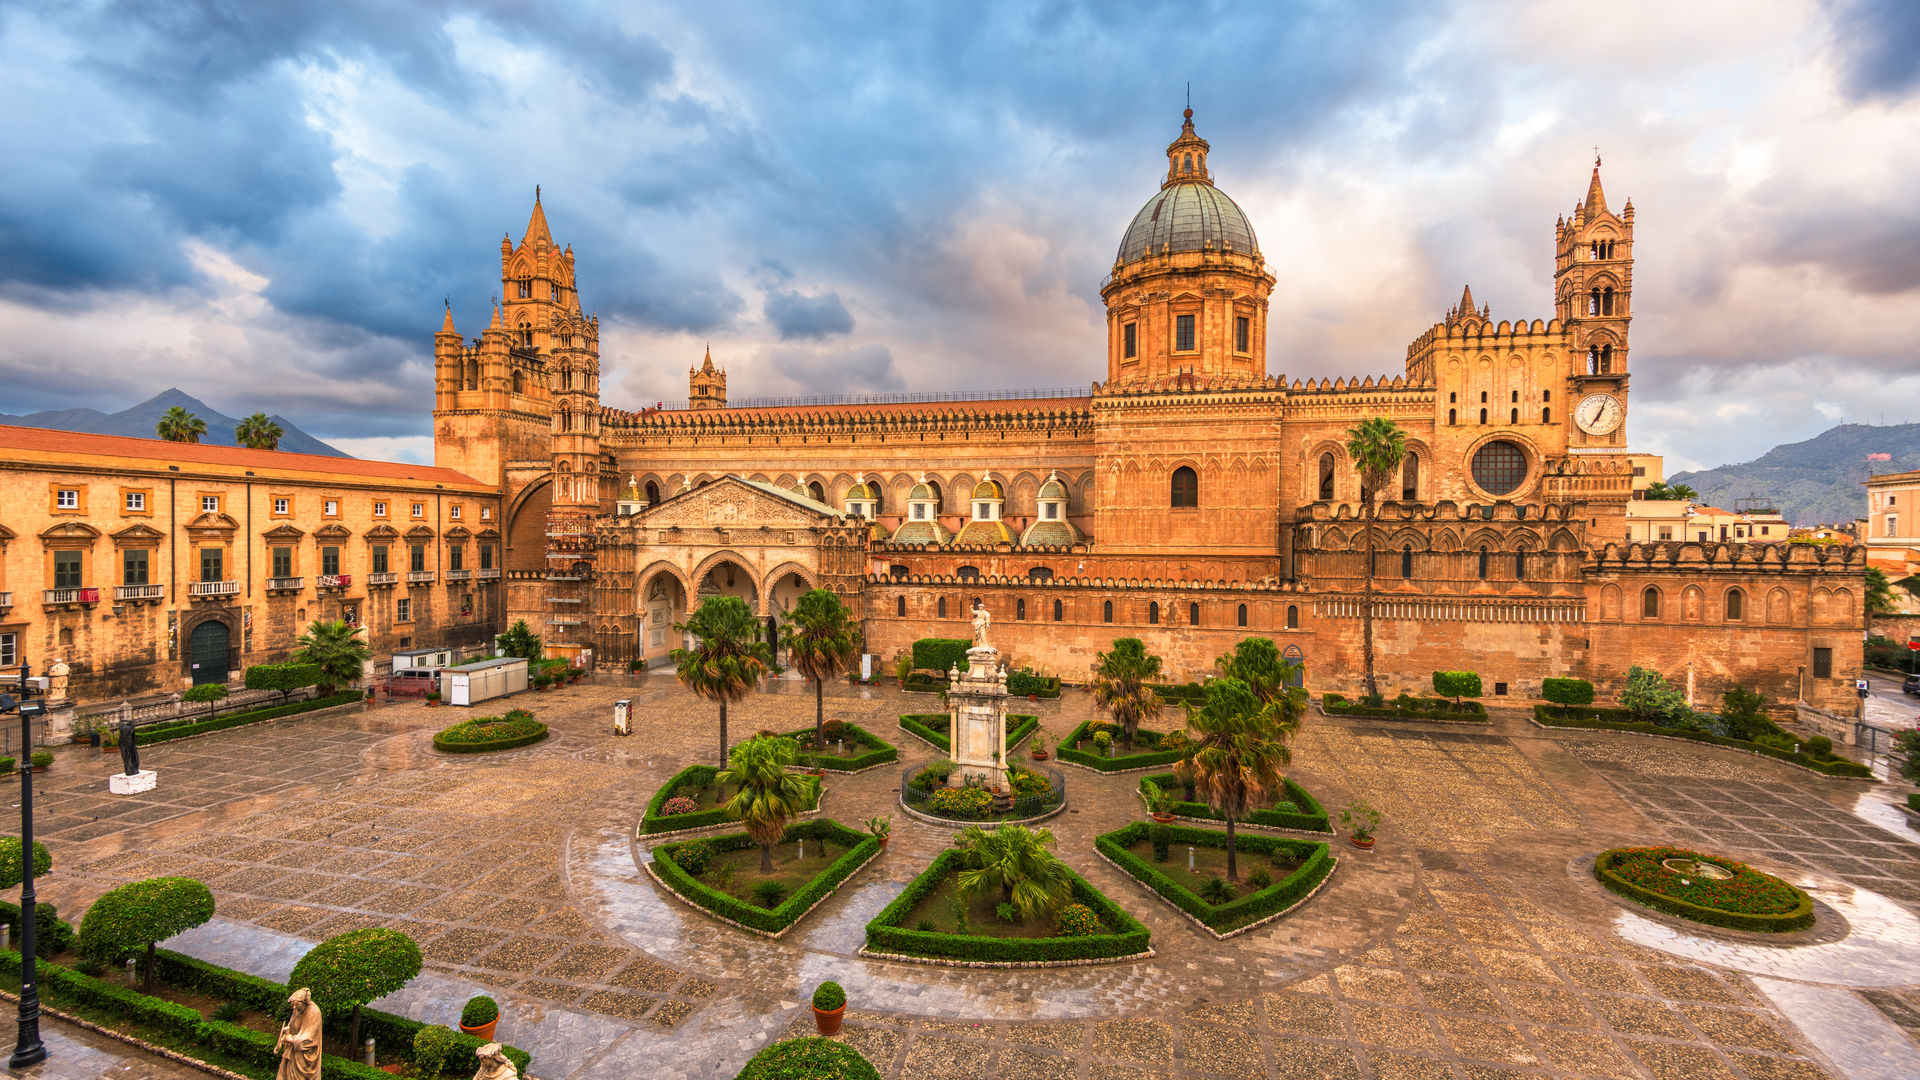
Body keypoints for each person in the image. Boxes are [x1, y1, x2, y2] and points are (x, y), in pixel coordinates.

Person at [275, 988, 322, 1080]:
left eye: (297, 1005)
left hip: (303, 1054)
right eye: (292, 1005)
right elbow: (291, 1026)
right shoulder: (297, 1009)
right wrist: (284, 1038)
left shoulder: (313, 1012)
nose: (294, 1008)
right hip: (291, 1051)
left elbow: (310, 1037)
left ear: (305, 1002)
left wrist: (292, 1039)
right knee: (283, 1074)